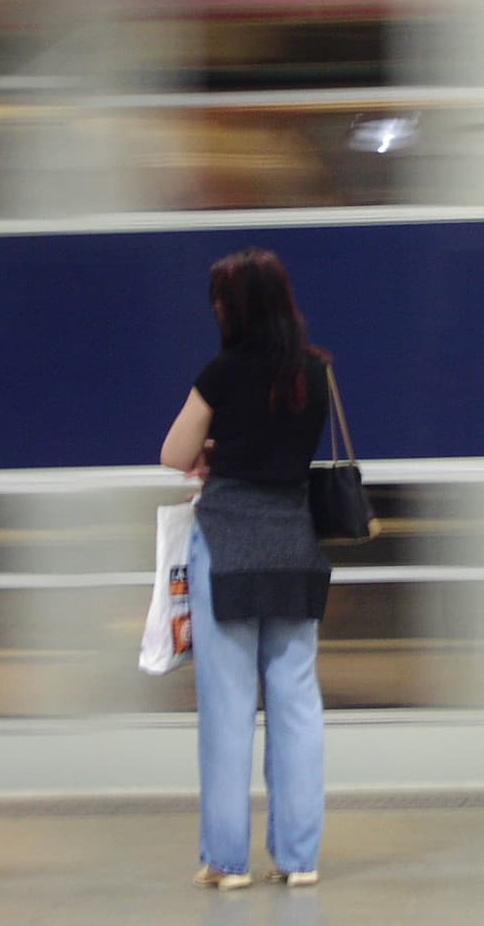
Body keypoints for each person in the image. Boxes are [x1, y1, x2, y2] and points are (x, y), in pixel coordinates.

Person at [161, 248, 331, 890]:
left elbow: (173, 453)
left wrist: (213, 448)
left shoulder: (222, 373)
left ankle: (227, 863)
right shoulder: (314, 374)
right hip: (293, 543)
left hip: (227, 545)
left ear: (233, 308)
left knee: (228, 708)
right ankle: (299, 858)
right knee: (296, 704)